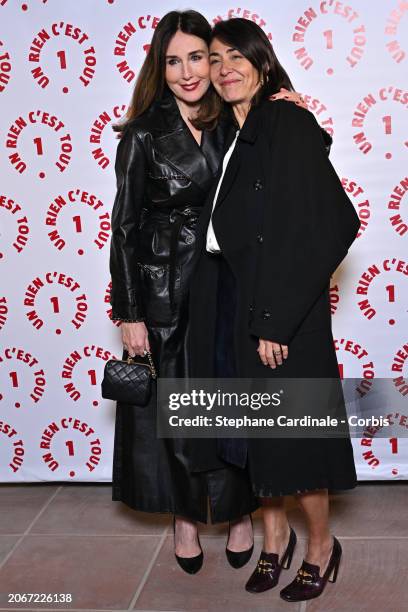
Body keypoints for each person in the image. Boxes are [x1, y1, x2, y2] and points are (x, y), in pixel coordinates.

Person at [109, 9, 327, 576]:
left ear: (213, 61)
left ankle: (236, 516)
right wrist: (128, 311)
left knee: (229, 406)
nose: (188, 71)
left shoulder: (236, 119)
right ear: (161, 66)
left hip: (228, 286)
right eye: (173, 60)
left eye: (198, 57)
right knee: (178, 413)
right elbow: (125, 226)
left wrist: (291, 102)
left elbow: (287, 166)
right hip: (165, 291)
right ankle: (184, 520)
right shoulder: (143, 134)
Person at [188, 18, 360, 602]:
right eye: (214, 58)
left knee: (298, 437)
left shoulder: (286, 119)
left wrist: (275, 320)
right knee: (261, 437)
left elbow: (330, 222)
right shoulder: (232, 130)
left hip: (282, 309)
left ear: (263, 62)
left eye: (236, 56)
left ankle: (319, 548)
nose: (223, 67)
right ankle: (274, 542)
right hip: (238, 300)